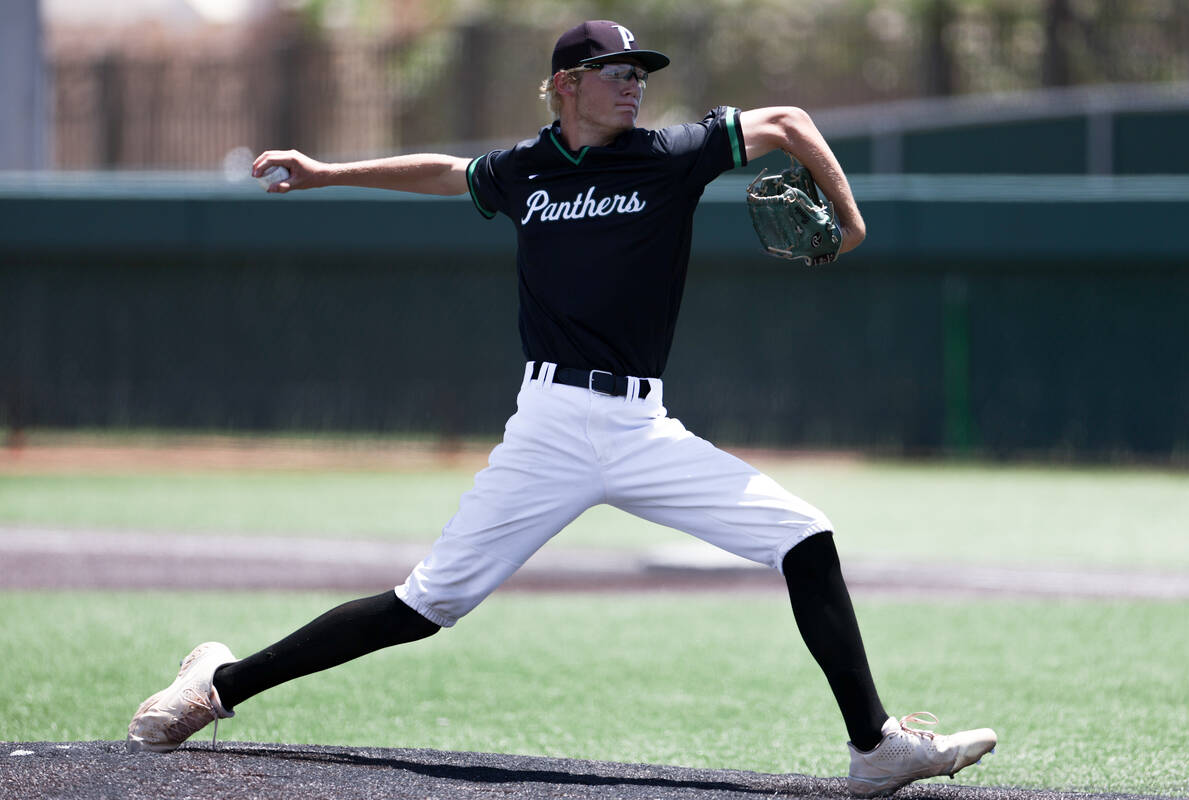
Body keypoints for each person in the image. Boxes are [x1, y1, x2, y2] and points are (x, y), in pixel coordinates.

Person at [127, 20, 995, 797]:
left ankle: (874, 745)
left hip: (643, 429)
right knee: (425, 605)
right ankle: (216, 685)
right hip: (548, 426)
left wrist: (847, 223)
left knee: (805, 538)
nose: (635, 82)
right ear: (567, 84)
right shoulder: (524, 169)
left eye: (640, 71)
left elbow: (792, 125)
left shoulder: (670, 152)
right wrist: (326, 173)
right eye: (616, 70)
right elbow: (449, 171)